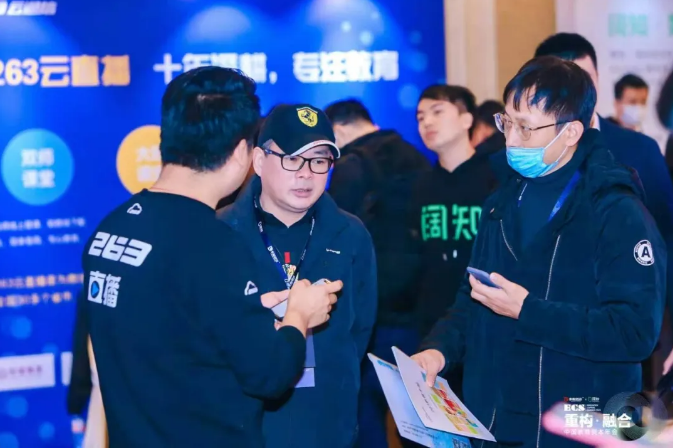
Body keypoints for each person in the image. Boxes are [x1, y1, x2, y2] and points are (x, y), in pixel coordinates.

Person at [413, 56, 666, 448]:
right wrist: (437, 351)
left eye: (526, 128)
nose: (512, 139)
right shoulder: (500, 202)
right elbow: (472, 300)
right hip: (496, 421)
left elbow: (634, 332)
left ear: (571, 132)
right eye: (507, 122)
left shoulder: (616, 211)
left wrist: (529, 311)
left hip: (578, 425)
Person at [82, 67, 342, 448]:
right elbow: (269, 375)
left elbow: (178, 331)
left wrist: (249, 314)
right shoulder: (214, 245)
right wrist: (299, 316)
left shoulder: (110, 229)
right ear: (240, 153)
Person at [218, 103, 377, 448]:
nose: (306, 174)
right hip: (245, 425)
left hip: (327, 425)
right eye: (292, 158)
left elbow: (360, 330)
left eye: (319, 160)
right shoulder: (220, 233)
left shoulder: (351, 234)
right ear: (259, 161)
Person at [535, 34, 673, 391]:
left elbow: (666, 241)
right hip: (541, 339)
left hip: (621, 337)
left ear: (598, 78)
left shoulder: (639, 150)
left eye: (585, 77)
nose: (578, 90)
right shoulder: (523, 157)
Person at [323, 98, 429, 448]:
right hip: (415, 304)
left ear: (339, 130)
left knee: (366, 412)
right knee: (418, 416)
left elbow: (334, 236)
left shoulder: (351, 165)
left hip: (369, 308)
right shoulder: (415, 156)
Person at [413, 84, 497, 343]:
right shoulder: (419, 186)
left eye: (437, 112)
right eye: (420, 117)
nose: (427, 122)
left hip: (486, 316)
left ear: (466, 120)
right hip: (432, 321)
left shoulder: (496, 179)